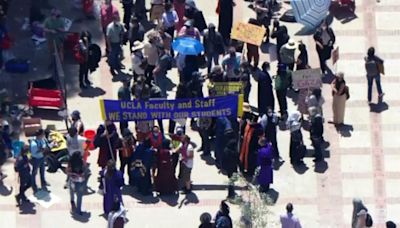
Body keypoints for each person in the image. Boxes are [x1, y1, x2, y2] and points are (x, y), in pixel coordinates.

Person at [239, 110, 263, 177]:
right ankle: (243, 169)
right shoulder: (248, 125)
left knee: (251, 161)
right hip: (245, 146)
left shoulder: (259, 129)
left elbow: (260, 140)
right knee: (243, 159)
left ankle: (250, 173)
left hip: (252, 149)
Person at [221, 130, 239, 199]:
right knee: (232, 180)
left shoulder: (226, 150)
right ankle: (231, 193)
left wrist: (222, 167)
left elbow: (223, 159)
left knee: (230, 179)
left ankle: (231, 193)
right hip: (233, 167)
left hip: (228, 168)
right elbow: (238, 160)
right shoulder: (234, 152)